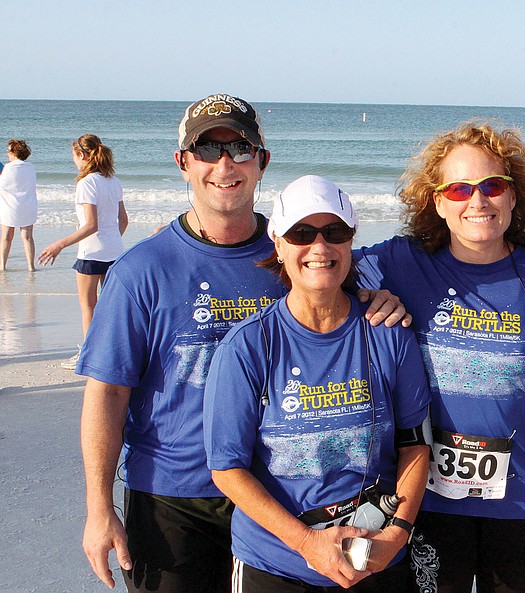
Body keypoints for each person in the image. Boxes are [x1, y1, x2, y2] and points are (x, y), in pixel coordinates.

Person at [77, 93, 407, 593]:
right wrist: (99, 507)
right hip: (174, 498)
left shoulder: (297, 251)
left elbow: (355, 285)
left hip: (281, 499)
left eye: (240, 148)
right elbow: (107, 392)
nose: (225, 164)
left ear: (261, 161)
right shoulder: (142, 271)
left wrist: (382, 297)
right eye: (208, 149)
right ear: (183, 162)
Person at [355, 122, 525, 593]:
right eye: (459, 189)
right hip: (427, 497)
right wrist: (367, 294)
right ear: (437, 202)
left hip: (522, 492)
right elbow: (317, 264)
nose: (477, 201)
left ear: (513, 195)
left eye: (493, 186)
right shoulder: (400, 262)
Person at [204, 175, 431, 592]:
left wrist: (397, 534)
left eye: (335, 232)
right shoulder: (247, 345)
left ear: (351, 241)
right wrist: (307, 544)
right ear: (278, 244)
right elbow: (227, 469)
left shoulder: (389, 332)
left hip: (374, 556)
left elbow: (414, 444)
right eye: (302, 234)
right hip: (277, 564)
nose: (320, 247)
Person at [38, 134, 128, 368]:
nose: (74, 161)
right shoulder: (113, 180)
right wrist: (112, 240)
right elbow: (124, 220)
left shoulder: (86, 183)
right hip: (115, 252)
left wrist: (59, 244)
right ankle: (111, 353)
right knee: (109, 307)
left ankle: (89, 355)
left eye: (74, 156)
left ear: (82, 155)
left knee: (88, 306)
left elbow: (90, 225)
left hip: (91, 254)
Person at [0, 139, 38, 271]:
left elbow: (3, 184)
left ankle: (2, 266)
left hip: (10, 206)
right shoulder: (30, 167)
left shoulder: (8, 168)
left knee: (6, 237)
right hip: (28, 205)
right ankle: (31, 266)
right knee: (27, 237)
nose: (7, 153)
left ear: (14, 152)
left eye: (8, 150)